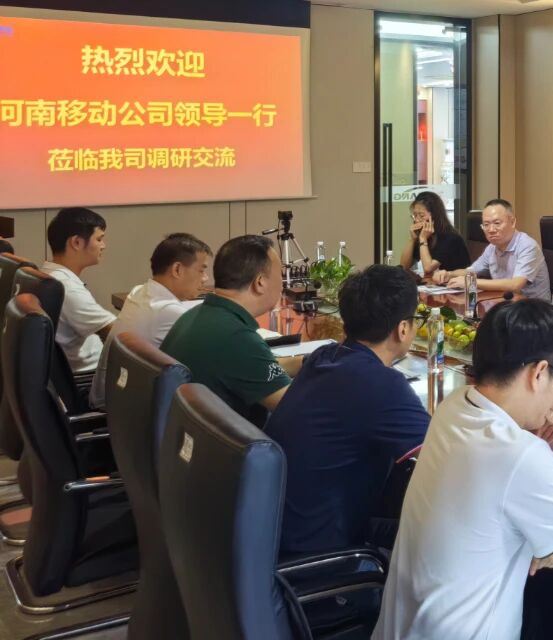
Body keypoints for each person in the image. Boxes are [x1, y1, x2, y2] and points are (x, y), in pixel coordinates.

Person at [372, 300, 553, 640]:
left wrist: (549, 539)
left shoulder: (455, 405)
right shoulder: (521, 455)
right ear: (539, 373)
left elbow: (489, 500)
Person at [266, 265, 430, 554]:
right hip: (318, 549)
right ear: (403, 329)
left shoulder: (324, 356)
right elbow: (444, 453)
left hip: (278, 530)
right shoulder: (382, 385)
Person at [161, 235, 300, 423]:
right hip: (226, 440)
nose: (283, 284)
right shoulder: (237, 338)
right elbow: (299, 409)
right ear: (260, 282)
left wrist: (306, 363)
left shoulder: (198, 314)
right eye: (281, 275)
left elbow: (252, 368)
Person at [89, 233, 212, 409]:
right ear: (177, 269)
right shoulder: (170, 312)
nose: (206, 278)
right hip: (119, 411)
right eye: (201, 270)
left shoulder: (139, 291)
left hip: (113, 399)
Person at [41, 207, 115, 372]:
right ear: (76, 242)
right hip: (90, 377)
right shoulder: (66, 287)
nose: (103, 246)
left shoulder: (47, 273)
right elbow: (116, 333)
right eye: (99, 239)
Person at [433, 199, 551, 301]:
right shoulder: (492, 248)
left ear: (513, 222)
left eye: (497, 223)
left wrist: (470, 282)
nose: (491, 230)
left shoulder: (527, 246)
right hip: (504, 304)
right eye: (486, 224)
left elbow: (515, 285)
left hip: (535, 311)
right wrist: (449, 274)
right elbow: (471, 271)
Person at [399, 191, 469, 275]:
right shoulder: (425, 235)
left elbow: (428, 268)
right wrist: (412, 239)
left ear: (435, 216)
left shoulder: (451, 238)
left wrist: (423, 239)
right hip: (433, 281)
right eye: (415, 215)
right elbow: (404, 266)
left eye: (421, 215)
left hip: (456, 281)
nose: (417, 220)